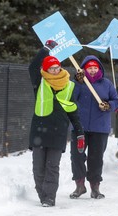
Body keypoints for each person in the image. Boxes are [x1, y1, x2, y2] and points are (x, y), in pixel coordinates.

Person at [28, 40, 85, 207]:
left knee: (52, 167)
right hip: (38, 131)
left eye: (57, 67)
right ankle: (42, 194)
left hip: (58, 132)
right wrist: (46, 49)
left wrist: (79, 130)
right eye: (51, 68)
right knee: (38, 168)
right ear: (46, 70)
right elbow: (32, 67)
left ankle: (50, 197)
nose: (55, 70)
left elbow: (73, 110)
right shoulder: (40, 83)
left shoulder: (69, 86)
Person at [69, 55, 118, 199]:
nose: (92, 70)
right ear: (84, 69)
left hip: (100, 128)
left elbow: (116, 101)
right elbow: (71, 98)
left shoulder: (107, 84)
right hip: (79, 127)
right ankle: (79, 185)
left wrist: (108, 105)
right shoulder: (77, 83)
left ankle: (95, 187)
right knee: (77, 156)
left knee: (96, 158)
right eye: (89, 68)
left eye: (94, 68)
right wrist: (78, 83)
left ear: (99, 69)